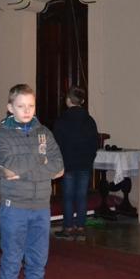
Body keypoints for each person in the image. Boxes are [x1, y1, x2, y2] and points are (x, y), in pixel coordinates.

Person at [0, 84, 64, 279]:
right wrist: (40, 160)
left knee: (37, 263)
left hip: (41, 208)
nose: (26, 111)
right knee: (11, 262)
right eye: (21, 106)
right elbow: (9, 167)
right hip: (14, 208)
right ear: (10, 107)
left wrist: (25, 169)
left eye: (31, 106)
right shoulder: (3, 135)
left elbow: (59, 167)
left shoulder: (44, 133)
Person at [53, 86, 99, 241]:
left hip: (67, 163)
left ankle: (67, 227)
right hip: (84, 163)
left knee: (67, 197)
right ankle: (80, 227)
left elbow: (56, 143)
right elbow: (95, 142)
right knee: (81, 196)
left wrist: (59, 161)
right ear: (83, 101)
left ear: (67, 100)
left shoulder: (62, 120)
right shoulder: (89, 120)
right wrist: (90, 158)